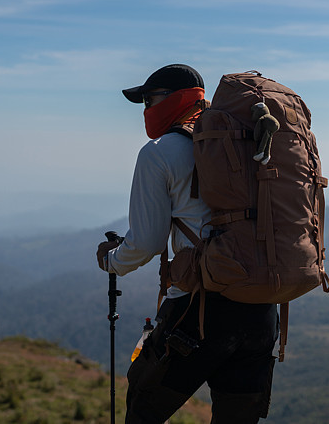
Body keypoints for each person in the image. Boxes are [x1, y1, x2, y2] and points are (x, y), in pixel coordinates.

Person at [95, 64, 279, 424]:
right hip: (263, 305)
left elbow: (146, 243)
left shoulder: (159, 152)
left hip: (199, 309)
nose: (146, 108)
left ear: (176, 99)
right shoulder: (250, 139)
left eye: (149, 98)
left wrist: (111, 261)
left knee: (142, 410)